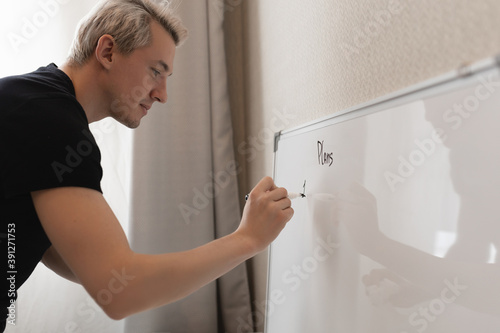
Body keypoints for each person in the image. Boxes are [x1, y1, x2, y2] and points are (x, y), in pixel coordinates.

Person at [0, 0, 293, 330]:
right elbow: (121, 292)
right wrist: (248, 239)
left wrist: (126, 278)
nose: (162, 95)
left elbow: (76, 260)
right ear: (108, 51)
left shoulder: (28, 100)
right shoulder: (51, 121)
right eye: (156, 71)